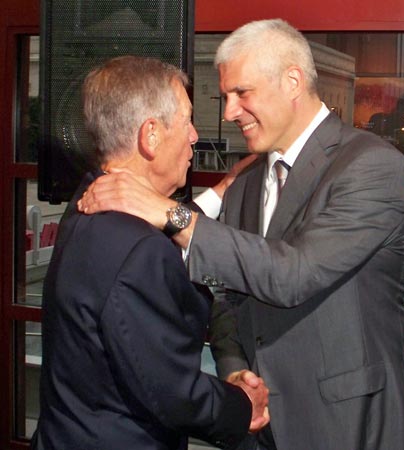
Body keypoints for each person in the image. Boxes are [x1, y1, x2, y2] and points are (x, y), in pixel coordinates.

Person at [78, 20, 404, 450]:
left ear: (293, 81)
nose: (228, 113)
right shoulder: (245, 184)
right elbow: (227, 295)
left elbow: (294, 273)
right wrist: (233, 367)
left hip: (348, 425)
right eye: (225, 97)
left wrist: (170, 213)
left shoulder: (372, 166)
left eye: (242, 93)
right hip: (259, 428)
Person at [31, 55, 270, 450]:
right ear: (151, 136)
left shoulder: (90, 197)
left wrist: (221, 190)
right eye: (187, 121)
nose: (195, 136)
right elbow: (171, 392)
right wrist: (244, 407)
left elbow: (146, 230)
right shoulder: (138, 251)